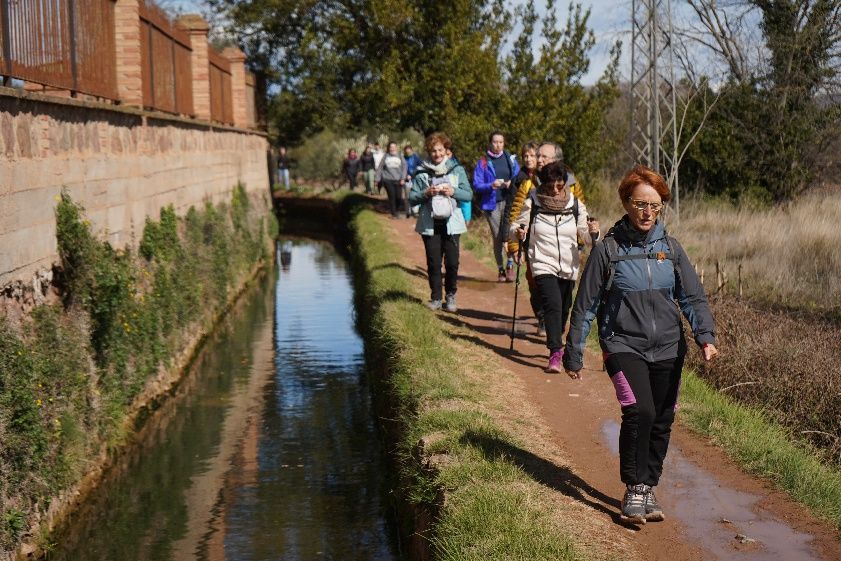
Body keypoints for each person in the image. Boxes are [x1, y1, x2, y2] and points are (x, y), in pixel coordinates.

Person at [563, 165, 719, 524]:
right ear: (626, 203)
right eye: (640, 204)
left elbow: (693, 299)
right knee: (640, 412)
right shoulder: (608, 250)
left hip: (668, 347)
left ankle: (649, 486)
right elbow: (585, 305)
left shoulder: (672, 250)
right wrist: (574, 352)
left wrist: (705, 338)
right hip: (623, 345)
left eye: (656, 205)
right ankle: (633, 487)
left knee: (662, 419)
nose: (648, 212)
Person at [510, 161, 599, 373]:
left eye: (560, 185)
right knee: (553, 305)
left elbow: (585, 236)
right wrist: (518, 234)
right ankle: (555, 352)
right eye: (551, 185)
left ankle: (556, 334)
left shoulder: (575, 204)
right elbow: (515, 227)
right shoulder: (534, 201)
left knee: (564, 308)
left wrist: (594, 232)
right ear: (544, 182)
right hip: (542, 262)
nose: (556, 190)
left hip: (569, 265)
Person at [409, 132, 473, 312]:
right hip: (429, 225)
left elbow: (468, 195)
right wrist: (425, 194)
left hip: (453, 224)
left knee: (452, 262)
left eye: (440, 150)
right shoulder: (422, 172)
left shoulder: (457, 170)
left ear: (446, 151)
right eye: (433, 151)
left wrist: (453, 192)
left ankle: (451, 295)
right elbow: (412, 198)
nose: (437, 154)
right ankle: (436, 298)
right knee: (433, 262)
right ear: (429, 152)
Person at [473, 131, 520, 282]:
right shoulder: (483, 162)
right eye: (495, 142)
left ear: (504, 143)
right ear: (490, 143)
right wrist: (491, 185)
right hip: (492, 205)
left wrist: (511, 183)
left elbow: (520, 178)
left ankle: (510, 265)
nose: (498, 145)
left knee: (510, 233)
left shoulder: (510, 159)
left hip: (510, 201)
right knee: (498, 237)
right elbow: (477, 184)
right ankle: (500, 268)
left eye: (501, 142)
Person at [376, 141, 409, 218]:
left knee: (399, 197)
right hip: (387, 179)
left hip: (398, 179)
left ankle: (397, 211)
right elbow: (380, 168)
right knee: (392, 196)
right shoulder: (385, 156)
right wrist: (377, 179)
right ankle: (394, 213)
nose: (392, 148)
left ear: (396, 148)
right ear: (388, 148)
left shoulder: (400, 156)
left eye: (394, 147)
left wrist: (403, 178)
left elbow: (404, 167)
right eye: (391, 147)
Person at [404, 144, 423, 217]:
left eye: (409, 152)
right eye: (406, 152)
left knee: (415, 194)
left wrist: (413, 174)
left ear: (411, 151)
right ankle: (408, 211)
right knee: (407, 196)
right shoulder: (403, 158)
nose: (408, 153)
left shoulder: (416, 157)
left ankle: (415, 211)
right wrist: (405, 176)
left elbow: (420, 166)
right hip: (406, 180)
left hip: (415, 179)